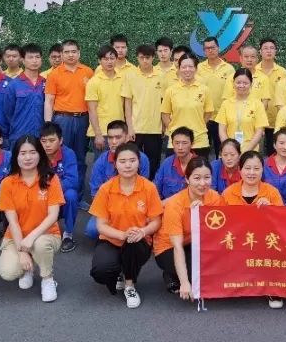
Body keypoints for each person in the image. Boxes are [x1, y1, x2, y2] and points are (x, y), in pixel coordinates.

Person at [89, 143, 163, 309]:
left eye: (132, 160)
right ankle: (119, 272)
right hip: (112, 239)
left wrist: (143, 231)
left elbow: (156, 221)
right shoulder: (106, 189)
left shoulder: (149, 187)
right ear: (115, 164)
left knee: (133, 242)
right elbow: (101, 226)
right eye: (122, 161)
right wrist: (122, 235)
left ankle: (130, 285)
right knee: (100, 271)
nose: (128, 165)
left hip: (139, 240)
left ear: (139, 163)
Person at [0, 135, 66, 303]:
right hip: (16, 236)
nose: (28, 157)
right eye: (23, 153)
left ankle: (48, 279)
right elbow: (12, 221)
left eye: (32, 152)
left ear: (40, 155)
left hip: (47, 234)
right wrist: (22, 251)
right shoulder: (7, 183)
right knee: (8, 273)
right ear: (16, 156)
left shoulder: (51, 179)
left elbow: (53, 215)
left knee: (40, 244)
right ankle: (28, 269)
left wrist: (31, 238)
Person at [155, 157, 223, 299]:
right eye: (197, 178)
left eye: (207, 177)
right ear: (187, 179)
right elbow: (177, 246)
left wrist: (203, 215)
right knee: (196, 277)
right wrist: (185, 283)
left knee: (214, 270)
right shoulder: (175, 204)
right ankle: (171, 274)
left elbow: (220, 232)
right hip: (169, 246)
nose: (202, 183)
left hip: (195, 241)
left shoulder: (215, 198)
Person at [84, 119, 153, 239]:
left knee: (152, 226)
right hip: (109, 209)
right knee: (92, 230)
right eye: (110, 138)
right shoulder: (100, 162)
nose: (114, 142)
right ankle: (112, 236)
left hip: (135, 207)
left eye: (118, 137)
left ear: (127, 137)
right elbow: (95, 194)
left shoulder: (142, 159)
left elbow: (144, 189)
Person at [43, 39, 94, 198]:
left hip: (83, 119)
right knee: (59, 155)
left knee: (80, 157)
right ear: (62, 54)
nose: (70, 55)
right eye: (67, 52)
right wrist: (48, 125)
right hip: (62, 119)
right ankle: (57, 194)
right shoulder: (54, 74)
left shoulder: (88, 72)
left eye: (73, 52)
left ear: (79, 53)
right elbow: (49, 101)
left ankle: (78, 195)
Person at [123, 43, 166, 169]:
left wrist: (164, 125)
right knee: (133, 161)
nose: (145, 60)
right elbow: (127, 104)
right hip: (135, 128)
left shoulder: (161, 76)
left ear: (153, 57)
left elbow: (165, 103)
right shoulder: (130, 75)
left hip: (155, 128)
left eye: (148, 57)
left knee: (153, 162)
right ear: (137, 57)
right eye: (142, 57)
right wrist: (129, 127)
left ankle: (150, 182)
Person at [38, 122, 80, 251]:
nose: (47, 145)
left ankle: (68, 234)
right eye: (44, 141)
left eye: (52, 140)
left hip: (58, 196)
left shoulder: (69, 154)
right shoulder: (36, 154)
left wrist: (50, 189)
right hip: (40, 196)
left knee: (71, 195)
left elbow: (73, 181)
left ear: (61, 140)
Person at [161, 53, 214, 155]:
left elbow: (208, 112)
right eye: (184, 67)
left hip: (199, 141)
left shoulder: (204, 90)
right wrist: (173, 130)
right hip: (176, 142)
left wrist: (199, 125)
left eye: (190, 66)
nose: (187, 70)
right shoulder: (171, 90)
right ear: (179, 69)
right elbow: (165, 114)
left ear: (196, 68)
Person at [86, 45, 126, 154]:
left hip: (119, 130)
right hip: (102, 132)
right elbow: (92, 110)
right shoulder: (93, 82)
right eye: (105, 59)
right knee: (102, 162)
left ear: (116, 60)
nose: (109, 62)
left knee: (119, 161)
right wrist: (98, 134)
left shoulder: (123, 79)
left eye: (112, 58)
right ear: (99, 61)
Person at [198, 36, 236, 150]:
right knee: (202, 151)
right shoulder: (198, 68)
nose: (210, 50)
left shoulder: (229, 69)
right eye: (207, 48)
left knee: (222, 150)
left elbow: (233, 93)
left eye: (213, 47)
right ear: (204, 51)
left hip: (222, 117)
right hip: (203, 116)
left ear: (218, 48)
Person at [216, 68, 269, 152]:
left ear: (251, 84)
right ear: (233, 83)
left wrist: (247, 151)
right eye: (238, 82)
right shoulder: (226, 104)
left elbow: (259, 131)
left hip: (250, 152)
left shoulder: (258, 104)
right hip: (230, 153)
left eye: (245, 83)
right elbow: (222, 130)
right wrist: (229, 149)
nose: (241, 86)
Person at [2, 43, 45, 143]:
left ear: (41, 59)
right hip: (19, 135)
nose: (34, 60)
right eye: (30, 57)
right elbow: (8, 112)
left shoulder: (46, 83)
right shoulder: (14, 85)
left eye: (37, 57)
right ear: (23, 60)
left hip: (42, 136)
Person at [220, 44, 272, 110]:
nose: (249, 60)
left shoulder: (264, 78)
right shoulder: (232, 77)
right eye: (246, 57)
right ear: (241, 59)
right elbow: (226, 100)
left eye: (252, 57)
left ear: (257, 59)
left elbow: (265, 102)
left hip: (256, 114)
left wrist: (257, 114)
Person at [258, 38, 286, 148]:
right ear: (260, 51)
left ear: (275, 51)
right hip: (257, 119)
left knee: (274, 151)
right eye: (265, 48)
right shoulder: (253, 70)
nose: (269, 51)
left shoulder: (282, 72)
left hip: (277, 119)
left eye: (272, 48)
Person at [154, 127, 197, 199]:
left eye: (184, 143)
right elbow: (155, 189)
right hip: (167, 205)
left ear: (192, 144)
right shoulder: (167, 163)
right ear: (172, 144)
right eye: (177, 143)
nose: (180, 147)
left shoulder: (200, 165)